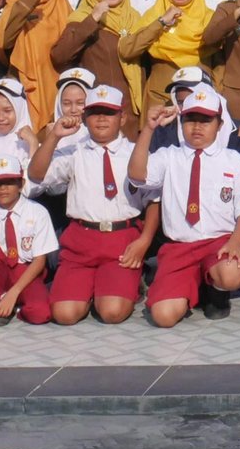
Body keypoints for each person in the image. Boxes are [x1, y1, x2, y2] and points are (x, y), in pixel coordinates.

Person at [27, 85, 157, 326]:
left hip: (122, 239)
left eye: (109, 113)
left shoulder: (135, 152)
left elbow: (153, 199)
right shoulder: (74, 152)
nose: (101, 119)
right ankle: (90, 288)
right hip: (81, 240)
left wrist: (145, 240)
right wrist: (54, 137)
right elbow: (36, 174)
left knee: (111, 313)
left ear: (122, 117)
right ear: (85, 117)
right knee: (64, 315)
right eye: (95, 113)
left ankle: (123, 286)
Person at [129, 85, 240, 326]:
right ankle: (191, 289)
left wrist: (235, 242)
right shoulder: (168, 156)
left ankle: (217, 293)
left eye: (205, 121)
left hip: (218, 242)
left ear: (219, 124)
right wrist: (149, 129)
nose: (197, 127)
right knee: (163, 317)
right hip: (179, 247)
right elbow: (137, 175)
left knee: (230, 273)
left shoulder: (234, 161)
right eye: (190, 120)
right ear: (181, 121)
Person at [51, 0, 145, 138]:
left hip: (133, 111)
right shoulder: (82, 17)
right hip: (102, 111)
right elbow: (60, 56)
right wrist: (93, 18)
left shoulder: (135, 18)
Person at [119, 0, 213, 113]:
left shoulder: (209, 17)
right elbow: (127, 50)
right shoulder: (154, 15)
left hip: (202, 100)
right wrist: (161, 22)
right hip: (160, 100)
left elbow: (220, 65)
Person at [0, 0, 72, 125]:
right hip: (29, 91)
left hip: (62, 91)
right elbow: (1, 41)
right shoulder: (17, 7)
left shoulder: (65, 7)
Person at [0, 154, 55, 325]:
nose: (3, 189)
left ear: (21, 184)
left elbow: (39, 260)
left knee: (40, 314)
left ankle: (15, 306)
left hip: (26, 272)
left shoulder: (37, 211)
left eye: (10, 182)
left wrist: (14, 292)